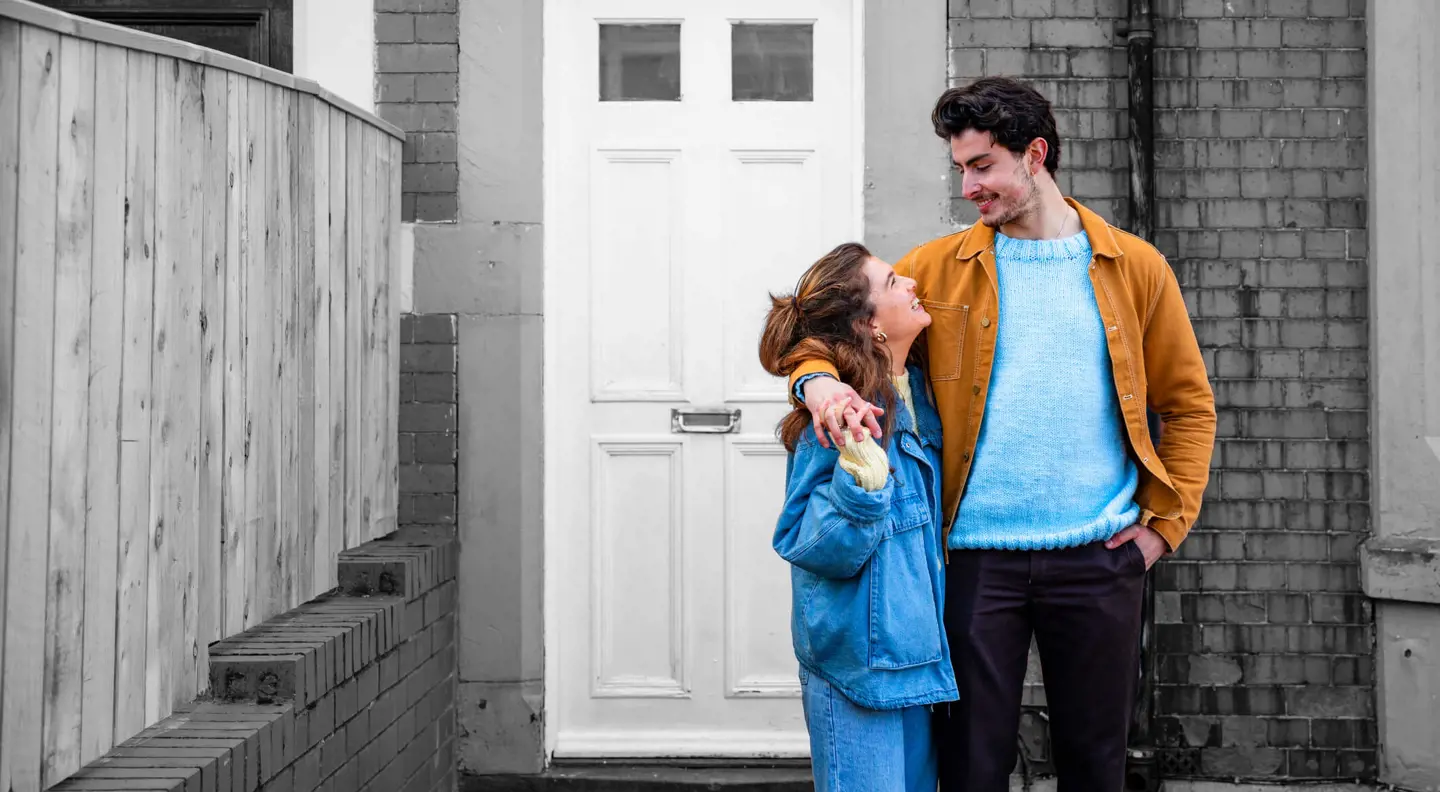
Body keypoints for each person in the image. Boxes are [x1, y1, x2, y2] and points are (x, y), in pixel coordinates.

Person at [786, 77, 1217, 792]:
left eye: (981, 166)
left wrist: (1163, 529)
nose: (968, 188)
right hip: (972, 565)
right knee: (971, 767)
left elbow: (1189, 405)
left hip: (1100, 556)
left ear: (1034, 154)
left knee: (1095, 765)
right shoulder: (936, 269)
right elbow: (826, 332)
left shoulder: (1135, 268)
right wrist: (817, 381)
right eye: (960, 169)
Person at [760, 242, 957, 792]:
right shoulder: (838, 417)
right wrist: (863, 485)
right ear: (869, 325)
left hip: (917, 660)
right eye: (894, 283)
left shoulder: (917, 390)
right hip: (858, 666)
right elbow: (811, 544)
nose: (914, 284)